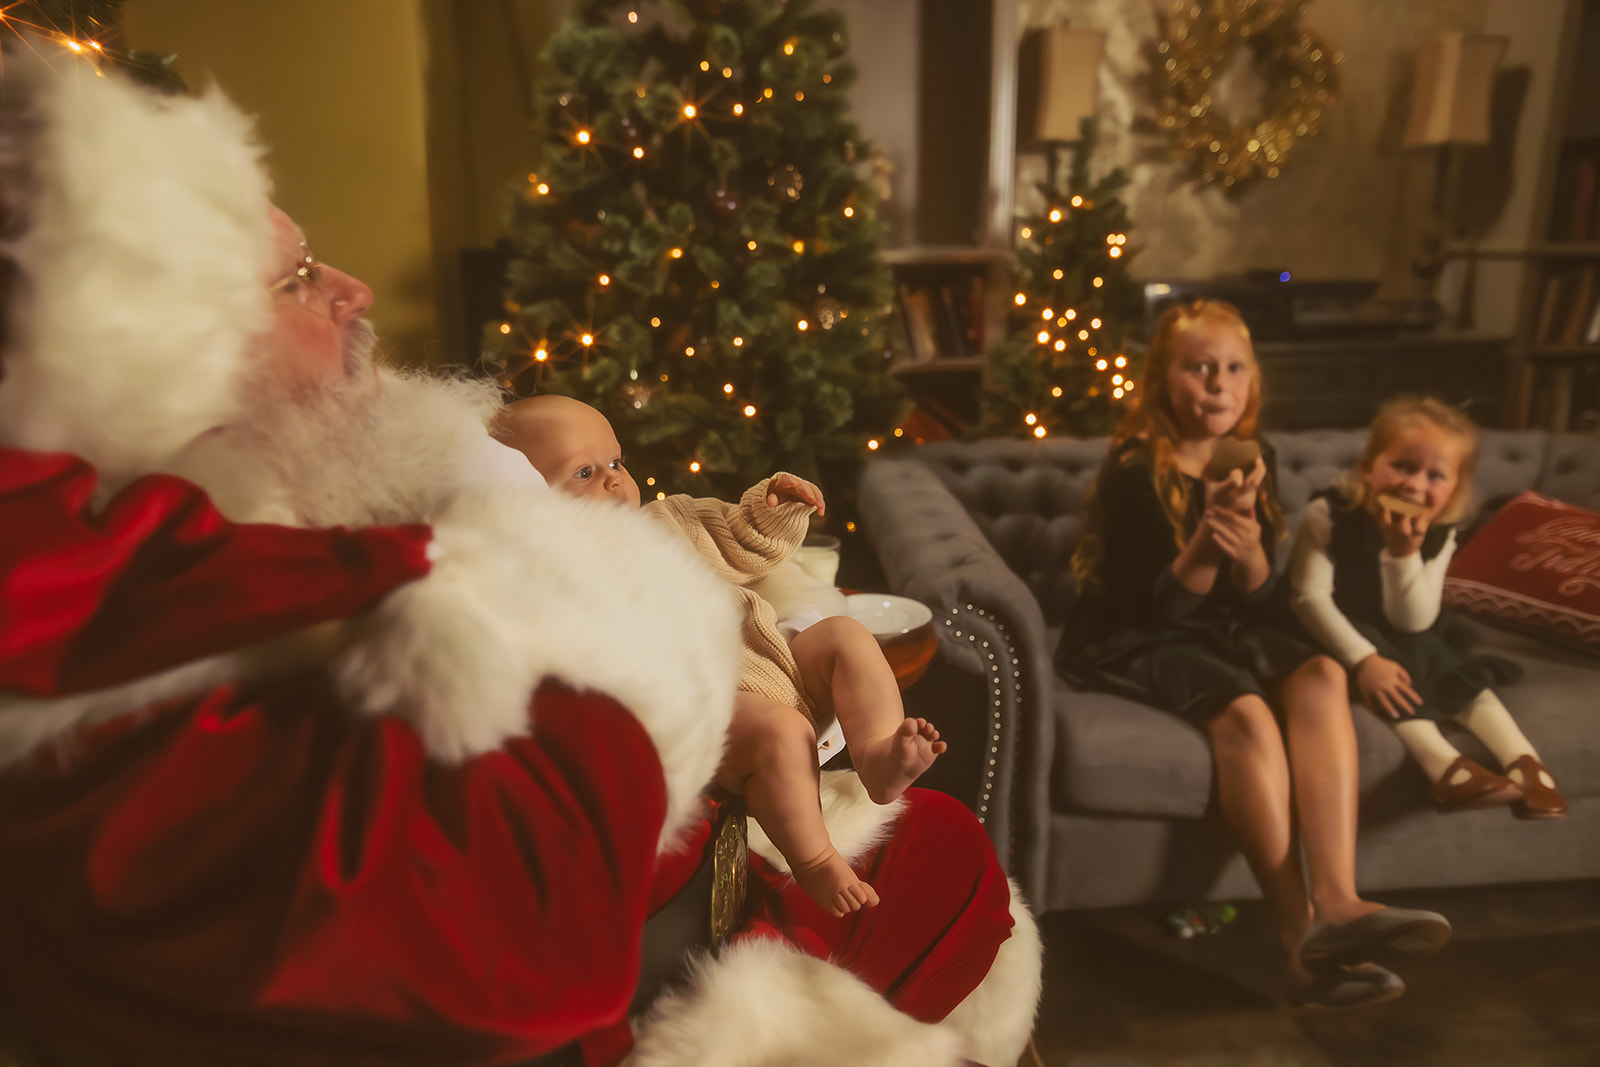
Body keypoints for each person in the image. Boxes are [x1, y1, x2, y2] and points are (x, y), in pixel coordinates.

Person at [0, 48, 1040, 1067]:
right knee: (944, 862)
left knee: (933, 829)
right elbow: (505, 925)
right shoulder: (126, 630)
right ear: (171, 353)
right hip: (657, 944)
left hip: (678, 842)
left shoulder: (248, 518)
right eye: (299, 280)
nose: (354, 290)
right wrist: (630, 626)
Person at [1054, 300, 1450, 1009]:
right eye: (1199, 367)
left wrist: (1249, 557)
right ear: (1162, 377)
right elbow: (1162, 610)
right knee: (1246, 712)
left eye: (1234, 368)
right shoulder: (1136, 471)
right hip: (1135, 629)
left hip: (1217, 623)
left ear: (1253, 381)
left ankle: (1339, 900)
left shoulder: (1252, 455)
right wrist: (1210, 540)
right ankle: (1298, 938)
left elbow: (1263, 598)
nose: (1219, 384)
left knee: (1322, 671)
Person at [494, 395, 946, 917]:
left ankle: (878, 755)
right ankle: (817, 858)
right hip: (713, 712)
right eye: (584, 472)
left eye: (616, 461)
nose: (615, 480)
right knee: (780, 729)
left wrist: (772, 510)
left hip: (770, 657)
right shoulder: (550, 577)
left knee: (846, 634)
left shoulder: (666, 521)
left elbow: (737, 538)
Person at [1289, 395, 1567, 819]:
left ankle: (1525, 762)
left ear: (1454, 488)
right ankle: (1444, 767)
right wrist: (1364, 659)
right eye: (1402, 466)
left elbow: (1413, 621)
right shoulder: (1329, 513)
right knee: (1393, 674)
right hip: (1332, 626)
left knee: (1439, 658)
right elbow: (1309, 596)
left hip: (1405, 628)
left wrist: (1403, 554)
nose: (1414, 485)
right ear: (1369, 467)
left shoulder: (1441, 532)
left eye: (1435, 476)